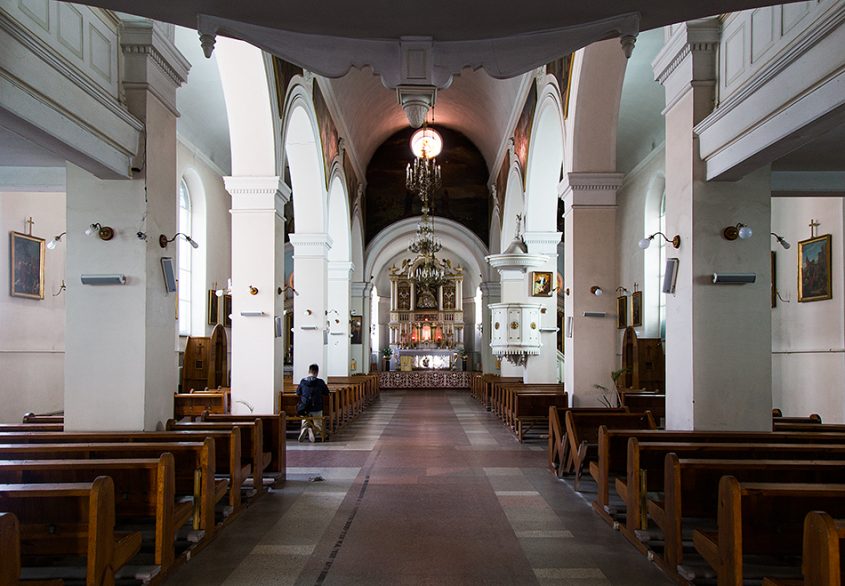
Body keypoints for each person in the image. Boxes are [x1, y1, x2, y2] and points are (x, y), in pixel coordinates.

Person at [296, 363, 330, 442]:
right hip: (317, 407)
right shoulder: (320, 382)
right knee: (318, 424)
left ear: (309, 371)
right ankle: (314, 431)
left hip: (304, 407)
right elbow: (326, 393)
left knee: (304, 419)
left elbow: (298, 392)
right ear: (317, 372)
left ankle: (305, 428)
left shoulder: (303, 381)